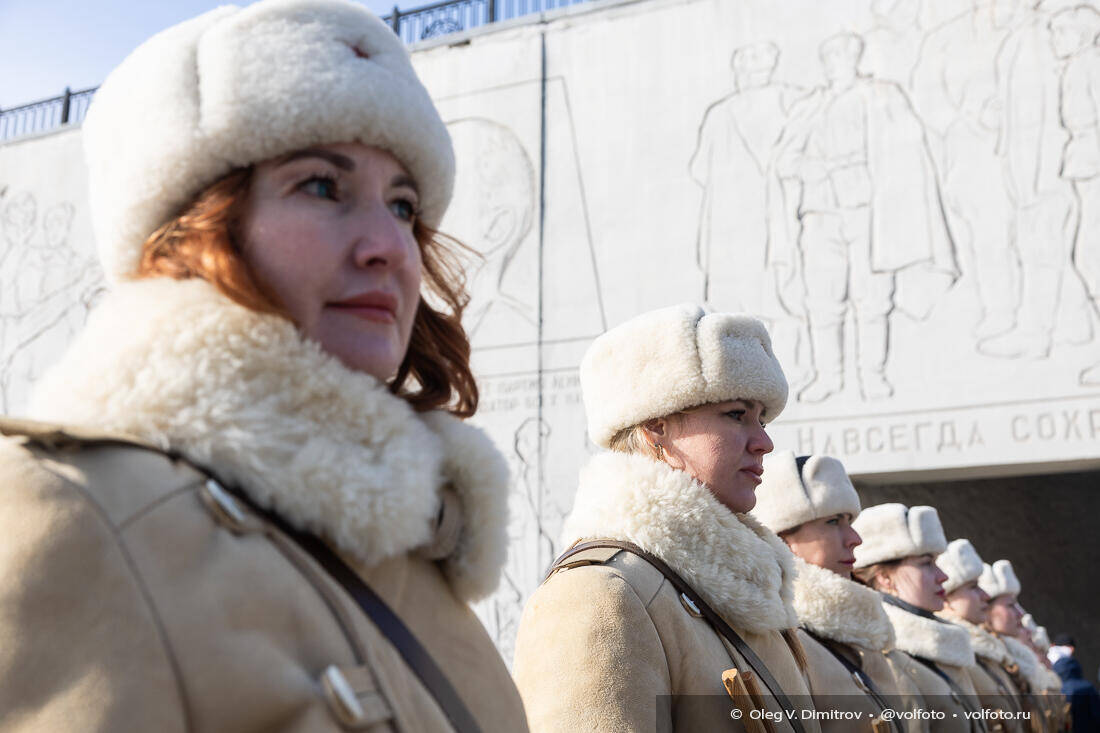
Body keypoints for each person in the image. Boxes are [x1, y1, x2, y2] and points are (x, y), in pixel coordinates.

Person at [0, 1, 528, 730]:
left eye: (403, 205)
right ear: (191, 233)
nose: (389, 246)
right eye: (321, 185)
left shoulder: (417, 537)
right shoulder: (67, 512)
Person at [512, 304, 819, 732]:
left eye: (762, 418)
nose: (764, 441)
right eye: (736, 415)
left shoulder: (744, 590)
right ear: (656, 429)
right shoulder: (598, 594)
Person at [751, 452, 926, 732]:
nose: (855, 539)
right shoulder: (781, 640)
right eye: (833, 521)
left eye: (849, 521)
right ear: (783, 539)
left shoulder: (863, 638)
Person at [851, 504, 985, 731]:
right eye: (926, 564)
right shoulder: (890, 657)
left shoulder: (939, 649)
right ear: (885, 578)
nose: (943, 576)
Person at [936, 539, 1029, 730]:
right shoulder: (953, 651)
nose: (984, 596)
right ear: (946, 596)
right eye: (972, 587)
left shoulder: (987, 653)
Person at [978, 560, 1057, 732]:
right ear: (987, 608)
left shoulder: (1008, 658)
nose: (1020, 614)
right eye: (1010, 605)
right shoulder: (976, 659)